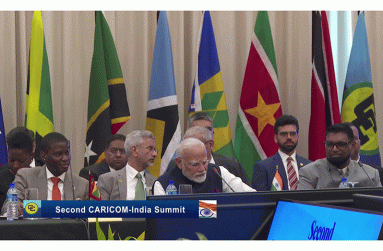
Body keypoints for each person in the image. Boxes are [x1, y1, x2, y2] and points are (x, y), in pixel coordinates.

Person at [1, 132, 89, 215]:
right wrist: (16, 208)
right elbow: (7, 207)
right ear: (43, 155)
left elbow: (92, 218)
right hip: (35, 230)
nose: (65, 158)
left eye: (67, 153)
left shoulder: (82, 184)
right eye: (58, 154)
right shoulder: (25, 176)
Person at [166, 112, 250, 185]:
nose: (203, 134)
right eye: (197, 130)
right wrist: (209, 204)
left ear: (211, 143)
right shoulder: (175, 166)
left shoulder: (230, 167)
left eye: (207, 130)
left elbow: (249, 197)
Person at [153, 137, 255, 195]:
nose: (202, 169)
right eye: (195, 164)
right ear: (179, 162)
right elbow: (165, 219)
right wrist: (214, 208)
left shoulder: (217, 171)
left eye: (205, 162)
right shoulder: (162, 184)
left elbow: (252, 195)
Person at [298, 123, 382, 190]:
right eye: (330, 144)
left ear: (352, 146)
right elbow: (303, 208)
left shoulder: (370, 174)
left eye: (341, 144)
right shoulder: (309, 173)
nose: (334, 149)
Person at [252, 115, 311, 191]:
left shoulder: (309, 165)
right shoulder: (263, 167)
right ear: (275, 138)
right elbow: (260, 199)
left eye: (292, 134)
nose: (289, 137)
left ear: (297, 136)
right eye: (284, 134)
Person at [97, 130, 158, 200]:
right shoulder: (108, 180)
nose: (154, 154)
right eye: (150, 149)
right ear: (134, 150)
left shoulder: (155, 182)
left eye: (155, 150)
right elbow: (100, 209)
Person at [0, 131, 34, 207]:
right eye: (11, 160)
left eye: (20, 161)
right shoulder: (1, 177)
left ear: (31, 156)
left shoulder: (38, 176)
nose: (15, 165)